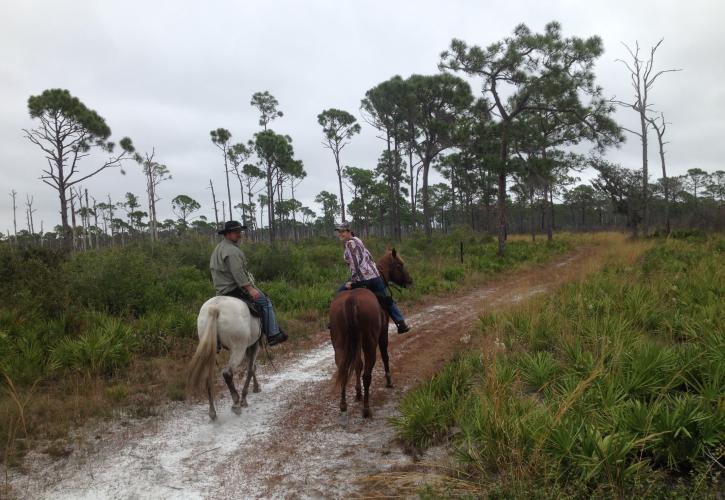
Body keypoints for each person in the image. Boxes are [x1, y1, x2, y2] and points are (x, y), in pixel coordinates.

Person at [210, 221, 288, 346]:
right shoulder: (232, 251)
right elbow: (238, 272)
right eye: (236, 232)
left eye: (239, 231)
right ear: (227, 234)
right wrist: (250, 289)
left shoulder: (218, 248)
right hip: (233, 289)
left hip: (220, 291)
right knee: (265, 302)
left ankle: (217, 339)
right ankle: (273, 334)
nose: (239, 234)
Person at [334, 222, 411, 334]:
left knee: (340, 292)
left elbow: (356, 263)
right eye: (339, 232)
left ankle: (334, 323)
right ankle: (400, 322)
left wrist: (352, 280)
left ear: (349, 231)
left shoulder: (350, 244)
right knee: (385, 298)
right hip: (376, 277)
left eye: (343, 231)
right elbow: (368, 257)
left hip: (362, 279)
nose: (340, 234)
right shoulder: (358, 240)